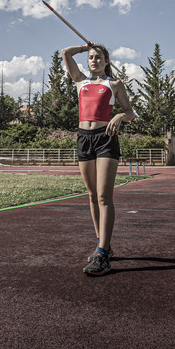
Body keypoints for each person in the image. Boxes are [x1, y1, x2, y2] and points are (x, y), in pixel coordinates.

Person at [62, 42, 135, 277]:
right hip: (84, 139)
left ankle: (103, 253)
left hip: (105, 139)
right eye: (91, 58)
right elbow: (65, 53)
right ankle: (101, 243)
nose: (94, 60)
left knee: (104, 196)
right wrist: (85, 47)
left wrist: (120, 116)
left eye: (99, 57)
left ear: (106, 62)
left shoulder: (114, 84)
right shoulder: (80, 82)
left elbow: (131, 112)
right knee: (92, 196)